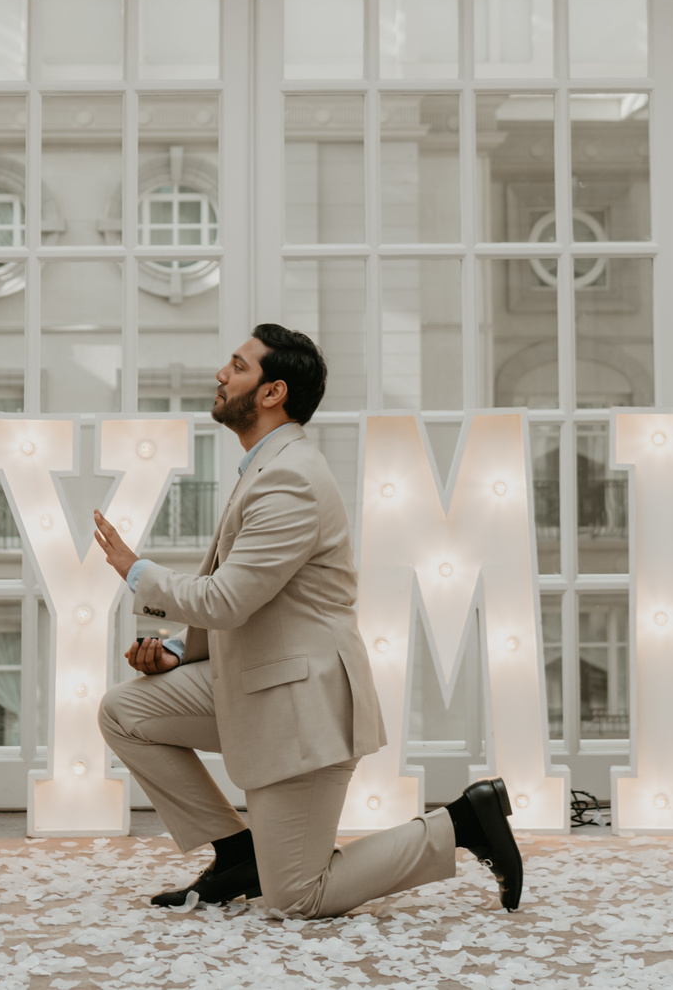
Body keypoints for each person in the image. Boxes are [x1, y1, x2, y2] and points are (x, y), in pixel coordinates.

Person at [91, 324, 524, 918]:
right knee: (126, 710)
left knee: (297, 896)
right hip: (261, 681)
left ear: (273, 392)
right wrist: (175, 650)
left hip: (303, 708)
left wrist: (135, 570)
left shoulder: (291, 478)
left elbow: (227, 600)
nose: (221, 374)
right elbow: (260, 606)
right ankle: (239, 850)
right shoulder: (267, 468)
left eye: (237, 366)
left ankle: (462, 822)